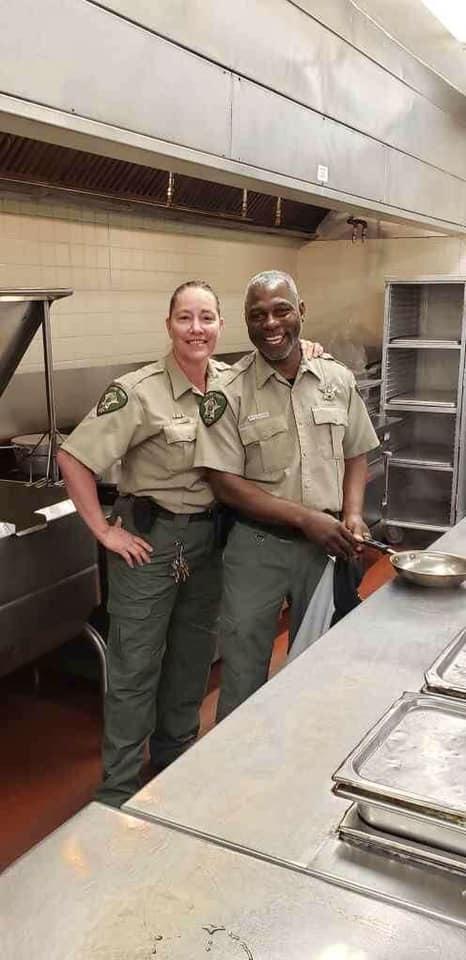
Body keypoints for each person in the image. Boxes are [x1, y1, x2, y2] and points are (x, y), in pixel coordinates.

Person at [57, 279, 324, 807]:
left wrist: (308, 349)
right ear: (169, 325)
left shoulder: (235, 383)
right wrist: (104, 530)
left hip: (209, 545)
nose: (196, 329)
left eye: (206, 318)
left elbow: (293, 373)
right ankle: (118, 789)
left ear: (221, 325)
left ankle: (176, 760)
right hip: (150, 547)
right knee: (136, 667)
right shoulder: (139, 391)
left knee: (192, 659)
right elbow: (74, 456)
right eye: (185, 318)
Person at [194, 270, 379, 721]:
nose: (271, 323)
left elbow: (356, 452)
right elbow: (224, 482)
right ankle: (237, 774)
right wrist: (302, 519)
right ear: (247, 321)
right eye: (258, 315)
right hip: (258, 550)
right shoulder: (228, 391)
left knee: (319, 661)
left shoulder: (337, 379)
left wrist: (352, 514)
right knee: (242, 672)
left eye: (281, 310)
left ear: (301, 312)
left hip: (329, 546)